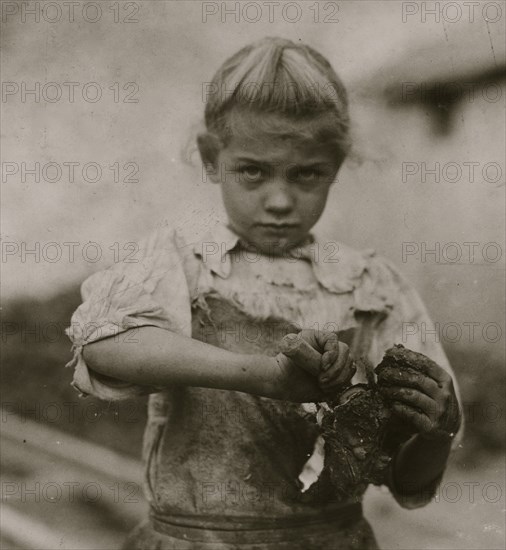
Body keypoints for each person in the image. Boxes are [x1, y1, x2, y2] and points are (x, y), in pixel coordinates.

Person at [65, 37, 462, 549]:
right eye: (252, 171)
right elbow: (103, 342)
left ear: (336, 165)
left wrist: (438, 430)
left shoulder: (371, 286)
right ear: (212, 158)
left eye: (306, 175)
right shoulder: (182, 262)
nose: (278, 200)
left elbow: (408, 483)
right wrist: (262, 376)